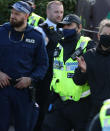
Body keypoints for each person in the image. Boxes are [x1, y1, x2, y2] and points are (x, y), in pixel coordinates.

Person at [41, 14, 95, 131]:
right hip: (60, 102)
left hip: (81, 104)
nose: (65, 28)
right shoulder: (58, 45)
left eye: (69, 25)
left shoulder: (87, 44)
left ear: (79, 28)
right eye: (63, 26)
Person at [73, 19, 110, 123]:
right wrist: (83, 71)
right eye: (104, 33)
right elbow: (78, 81)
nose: (107, 36)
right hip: (97, 109)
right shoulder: (89, 55)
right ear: (99, 36)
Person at [0, 1, 48, 131]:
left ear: (26, 16)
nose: (12, 16)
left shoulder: (36, 37)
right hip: (2, 89)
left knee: (24, 127)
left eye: (17, 14)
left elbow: (43, 64)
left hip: (23, 92)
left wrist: (31, 79)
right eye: (12, 13)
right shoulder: (1, 31)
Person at [33, 1, 64, 131]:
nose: (59, 15)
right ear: (47, 12)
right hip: (44, 80)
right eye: (56, 12)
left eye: (61, 12)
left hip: (60, 80)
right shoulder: (40, 30)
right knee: (42, 115)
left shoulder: (63, 30)